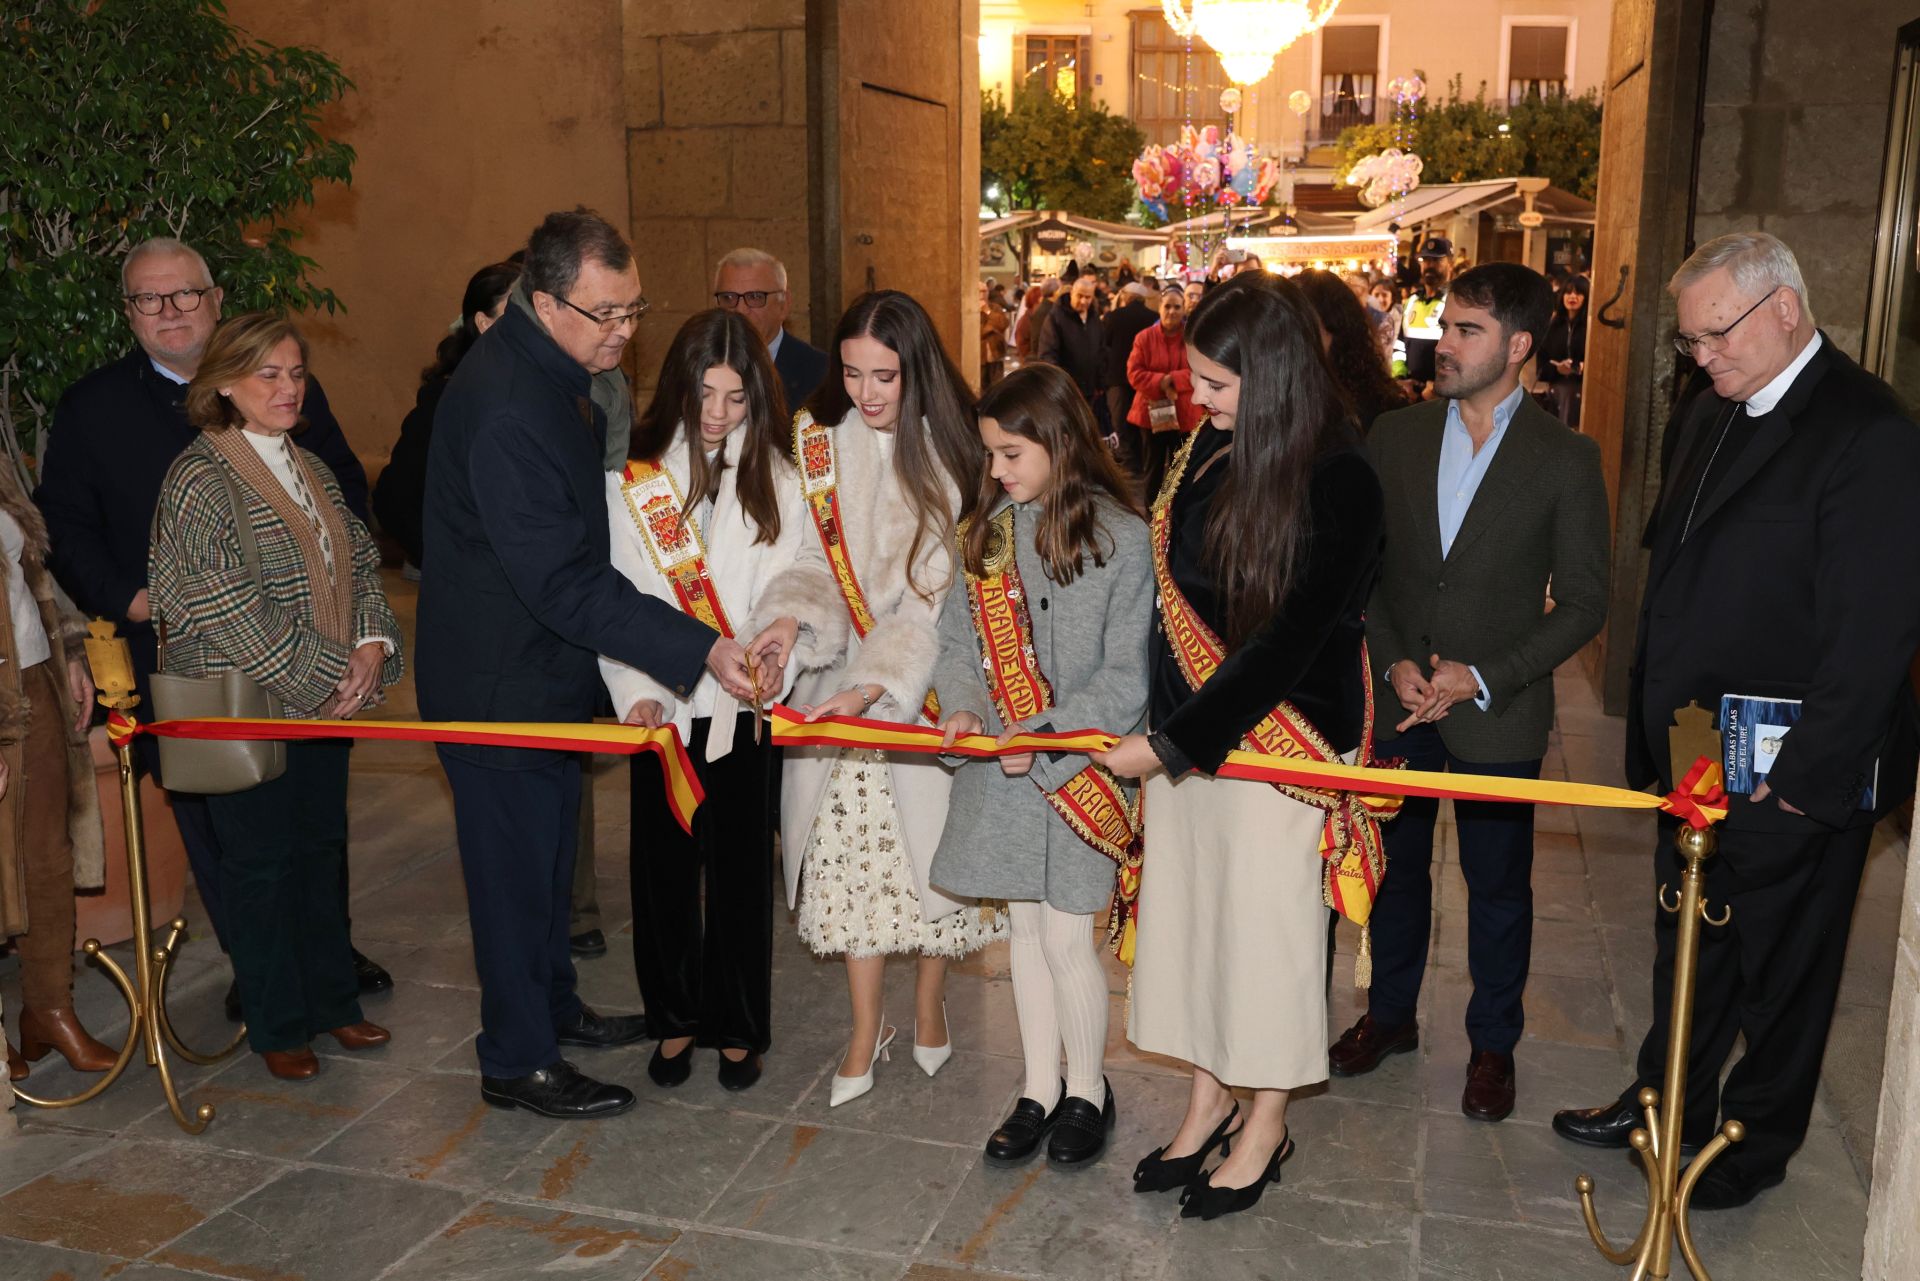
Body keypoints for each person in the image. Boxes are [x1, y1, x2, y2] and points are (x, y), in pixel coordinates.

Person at [1552, 231, 1920, 1209]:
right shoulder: (1711, 405)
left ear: (1785, 308)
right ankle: (1665, 1103)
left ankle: (1746, 1152)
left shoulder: (1869, 432)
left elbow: (1872, 639)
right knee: (1690, 932)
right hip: (1700, 742)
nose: (1702, 355)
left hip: (1796, 765)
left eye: (1716, 334)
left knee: (1783, 969)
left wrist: (1801, 786)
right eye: (1690, 340)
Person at [418, 207, 756, 1120]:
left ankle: (555, 1009)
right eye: (605, 313)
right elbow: (563, 578)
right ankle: (517, 1058)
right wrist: (699, 646)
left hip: (543, 676)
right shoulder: (508, 406)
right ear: (545, 302)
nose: (624, 332)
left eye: (633, 308)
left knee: (550, 864)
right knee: (513, 880)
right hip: (499, 689)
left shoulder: (550, 369)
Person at [36, 236, 389, 1022]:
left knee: (314, 832)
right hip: (187, 661)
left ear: (216, 299)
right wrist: (131, 599)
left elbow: (348, 511)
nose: (169, 311)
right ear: (129, 313)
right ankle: (266, 981)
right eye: (149, 298)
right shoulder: (96, 408)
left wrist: (363, 640)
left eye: (185, 294)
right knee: (231, 835)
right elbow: (64, 525)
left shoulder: (288, 408)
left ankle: (323, 971)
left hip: (311, 656)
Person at [1095, 281, 1385, 1221]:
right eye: (1197, 379)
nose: (1199, 397)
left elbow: (1292, 640)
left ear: (1275, 374)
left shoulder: (1342, 474)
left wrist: (1173, 743)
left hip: (1279, 746)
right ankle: (1207, 1097)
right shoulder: (1205, 448)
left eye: (1218, 382)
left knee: (1265, 941)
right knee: (1195, 925)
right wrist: (1161, 727)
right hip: (1189, 737)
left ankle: (1266, 1122)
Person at [1330, 264, 1610, 1123]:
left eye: (1465, 331)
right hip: (1403, 699)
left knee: (1498, 886)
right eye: (1444, 326)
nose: (1441, 343)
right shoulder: (1397, 434)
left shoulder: (1566, 458)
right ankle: (1389, 1016)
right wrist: (1392, 660)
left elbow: (1587, 600)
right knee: (1394, 872)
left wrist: (1484, 675)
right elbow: (1367, 567)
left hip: (1499, 711)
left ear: (1518, 345)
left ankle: (1493, 1045)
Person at [744, 290, 1006, 1110]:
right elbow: (806, 561)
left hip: (917, 695)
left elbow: (933, 598)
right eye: (852, 373)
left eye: (883, 375)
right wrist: (787, 624)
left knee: (928, 866)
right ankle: (865, 1027)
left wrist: (874, 684)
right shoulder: (820, 447)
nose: (865, 392)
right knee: (849, 866)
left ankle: (927, 1001)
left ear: (915, 369)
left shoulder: (957, 456)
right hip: (834, 695)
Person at [147, 313, 402, 1080]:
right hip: (245, 702)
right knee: (259, 866)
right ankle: (278, 1022)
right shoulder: (199, 477)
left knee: (321, 854)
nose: (288, 388)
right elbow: (223, 604)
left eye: (296, 373)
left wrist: (370, 645)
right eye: (269, 374)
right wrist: (329, 672)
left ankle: (333, 1001)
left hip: (323, 701)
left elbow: (361, 561)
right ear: (225, 384)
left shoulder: (310, 464)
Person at [928, 362, 1153, 1169]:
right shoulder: (987, 533)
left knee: (1065, 937)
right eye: (990, 453)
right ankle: (1038, 1087)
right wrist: (962, 704)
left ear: (1061, 442)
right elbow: (957, 642)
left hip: (1081, 769)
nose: (995, 470)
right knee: (1022, 931)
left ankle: (1087, 1089)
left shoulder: (1124, 539)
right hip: (1004, 771)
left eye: (1011, 453)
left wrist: (1046, 730)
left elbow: (1127, 677)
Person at [600, 310, 803, 1093]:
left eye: (735, 397)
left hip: (745, 706)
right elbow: (622, 599)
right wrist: (635, 692)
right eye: (704, 393)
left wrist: (776, 659)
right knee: (662, 873)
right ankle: (675, 1015)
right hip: (665, 708)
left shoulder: (779, 478)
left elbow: (792, 586)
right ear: (679, 386)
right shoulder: (635, 477)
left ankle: (740, 1025)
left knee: (743, 872)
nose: (717, 412)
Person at [0, 457, 109, 1083]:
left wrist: (66, 647)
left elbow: (30, 570)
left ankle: (48, 1008)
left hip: (31, 681)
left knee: (45, 858)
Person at [372, 260, 520, 571]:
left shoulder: (535, 393)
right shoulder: (449, 399)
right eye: (518, 314)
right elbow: (394, 497)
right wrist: (451, 564)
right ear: (484, 323)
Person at [1293, 269, 1410, 433]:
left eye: (1306, 326)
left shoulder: (1380, 411)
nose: (1296, 338)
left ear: (1335, 328)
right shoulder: (1288, 398)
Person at [714, 247, 825, 415]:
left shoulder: (821, 373)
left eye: (755, 297)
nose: (741, 310)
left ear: (784, 305)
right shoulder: (696, 367)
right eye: (728, 298)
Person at [1126, 287, 1206, 499]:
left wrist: (1174, 379)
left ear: (1184, 309)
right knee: (1152, 470)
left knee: (1181, 472)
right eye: (1167, 306)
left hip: (1185, 415)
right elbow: (1134, 373)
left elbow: (1201, 371)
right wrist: (1161, 381)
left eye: (1176, 307)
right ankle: (1152, 514)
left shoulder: (1193, 338)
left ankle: (1177, 513)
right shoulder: (1144, 338)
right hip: (1151, 414)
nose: (1171, 311)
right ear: (1159, 308)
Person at [1101, 282, 1158, 472]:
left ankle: (1128, 464)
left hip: (1118, 378)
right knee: (1142, 423)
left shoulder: (1113, 317)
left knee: (1121, 422)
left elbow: (1104, 344)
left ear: (1126, 297)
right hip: (1145, 379)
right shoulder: (1154, 317)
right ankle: (1143, 462)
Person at [1037, 277, 1106, 427]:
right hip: (1066, 391)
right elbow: (1048, 354)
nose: (1083, 301)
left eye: (1088, 297)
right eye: (1079, 296)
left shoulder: (1094, 318)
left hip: (1090, 390)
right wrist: (1061, 384)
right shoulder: (1056, 317)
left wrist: (1100, 382)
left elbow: (1101, 351)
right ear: (1072, 293)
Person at [1392, 236, 1455, 396]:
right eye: (1425, 260)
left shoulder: (1456, 302)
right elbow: (1399, 345)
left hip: (1442, 394)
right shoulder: (1411, 301)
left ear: (1450, 264)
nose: (1430, 265)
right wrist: (1400, 377)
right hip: (1411, 391)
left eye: (1436, 260)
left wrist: (1441, 386)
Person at [1537, 275, 1589, 428]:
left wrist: (1581, 367)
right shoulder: (1552, 326)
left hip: (1583, 392)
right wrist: (1557, 369)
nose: (1572, 296)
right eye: (1568, 292)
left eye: (1578, 293)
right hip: (1555, 392)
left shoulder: (1591, 328)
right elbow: (1541, 368)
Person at [979, 280, 1010, 387]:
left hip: (996, 353)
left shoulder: (995, 307)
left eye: (985, 291)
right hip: (979, 357)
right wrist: (991, 327)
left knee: (997, 385)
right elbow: (977, 333)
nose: (982, 294)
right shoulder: (969, 310)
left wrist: (987, 311)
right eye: (979, 291)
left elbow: (1003, 323)